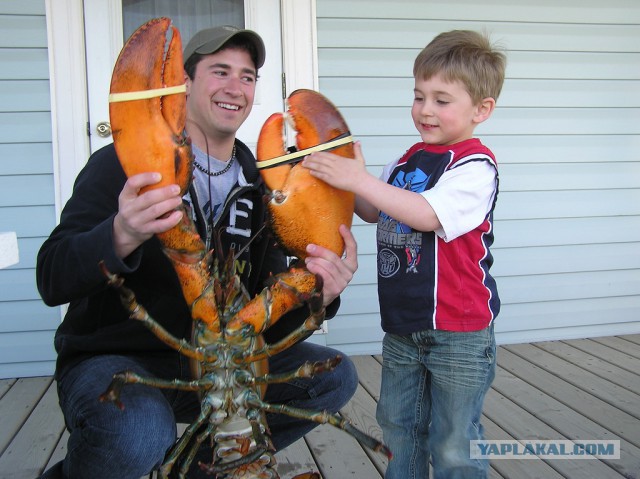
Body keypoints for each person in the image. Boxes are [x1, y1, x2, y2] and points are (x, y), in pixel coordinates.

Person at [36, 25, 359, 479]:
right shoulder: (120, 164)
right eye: (220, 71)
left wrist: (320, 294)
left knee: (334, 376)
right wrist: (122, 232)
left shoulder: (262, 181)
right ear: (183, 84)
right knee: (140, 432)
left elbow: (265, 320)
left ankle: (202, 468)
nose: (236, 88)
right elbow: (51, 277)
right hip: (118, 359)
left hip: (218, 370)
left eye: (247, 77)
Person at [302, 30, 506, 478]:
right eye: (418, 96)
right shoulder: (409, 157)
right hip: (403, 326)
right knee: (397, 425)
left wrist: (359, 180)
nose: (425, 110)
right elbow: (374, 208)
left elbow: (426, 214)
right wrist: (331, 172)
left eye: (441, 99)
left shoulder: (475, 165)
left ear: (481, 109)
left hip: (458, 329)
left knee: (453, 440)